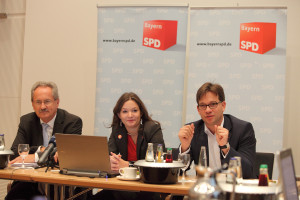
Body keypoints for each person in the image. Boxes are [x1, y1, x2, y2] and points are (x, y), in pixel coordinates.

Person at [6, 81, 83, 200]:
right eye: (38, 102)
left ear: (57, 102)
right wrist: (40, 150)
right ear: (32, 104)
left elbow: (68, 156)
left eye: (47, 101)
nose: (42, 107)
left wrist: (36, 157)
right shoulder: (26, 121)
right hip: (31, 182)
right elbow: (15, 152)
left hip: (61, 184)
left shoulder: (72, 122)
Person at [93, 92, 165, 200]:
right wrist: (110, 162)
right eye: (125, 111)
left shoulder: (152, 129)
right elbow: (109, 155)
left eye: (134, 110)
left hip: (146, 189)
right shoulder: (117, 130)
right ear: (119, 115)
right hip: (122, 187)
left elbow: (156, 165)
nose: (130, 115)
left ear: (141, 113)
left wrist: (128, 166)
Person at [178, 82, 256, 179]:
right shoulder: (193, 130)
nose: (207, 110)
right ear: (198, 110)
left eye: (213, 104)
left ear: (223, 106)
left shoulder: (243, 129)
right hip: (205, 190)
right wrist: (185, 148)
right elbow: (177, 172)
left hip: (235, 190)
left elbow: (248, 171)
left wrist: (226, 148)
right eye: (203, 105)